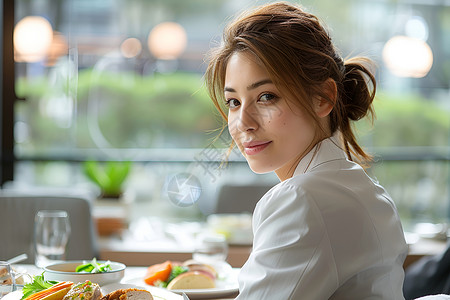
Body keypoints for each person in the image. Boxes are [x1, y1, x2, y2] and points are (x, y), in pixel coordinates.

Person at [205, 2, 408, 299]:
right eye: (233, 101)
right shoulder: (362, 188)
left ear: (323, 98)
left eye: (266, 96)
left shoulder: (302, 200)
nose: (243, 123)